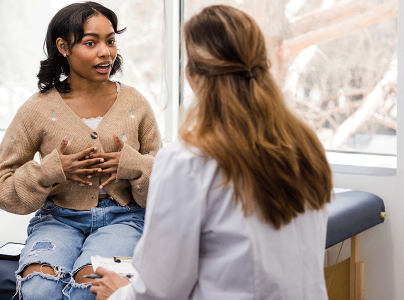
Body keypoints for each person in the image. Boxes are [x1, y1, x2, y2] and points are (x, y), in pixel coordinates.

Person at [90, 5, 333, 300]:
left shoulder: (188, 161)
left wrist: (119, 294)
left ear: (192, 75)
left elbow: (159, 292)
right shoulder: (306, 146)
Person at [0, 2, 162, 299]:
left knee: (88, 288)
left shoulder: (136, 105)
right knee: (39, 290)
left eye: (111, 41)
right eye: (91, 43)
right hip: (57, 219)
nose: (105, 52)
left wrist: (133, 165)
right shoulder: (37, 109)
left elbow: (168, 181)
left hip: (124, 218)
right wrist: (53, 171)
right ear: (63, 47)